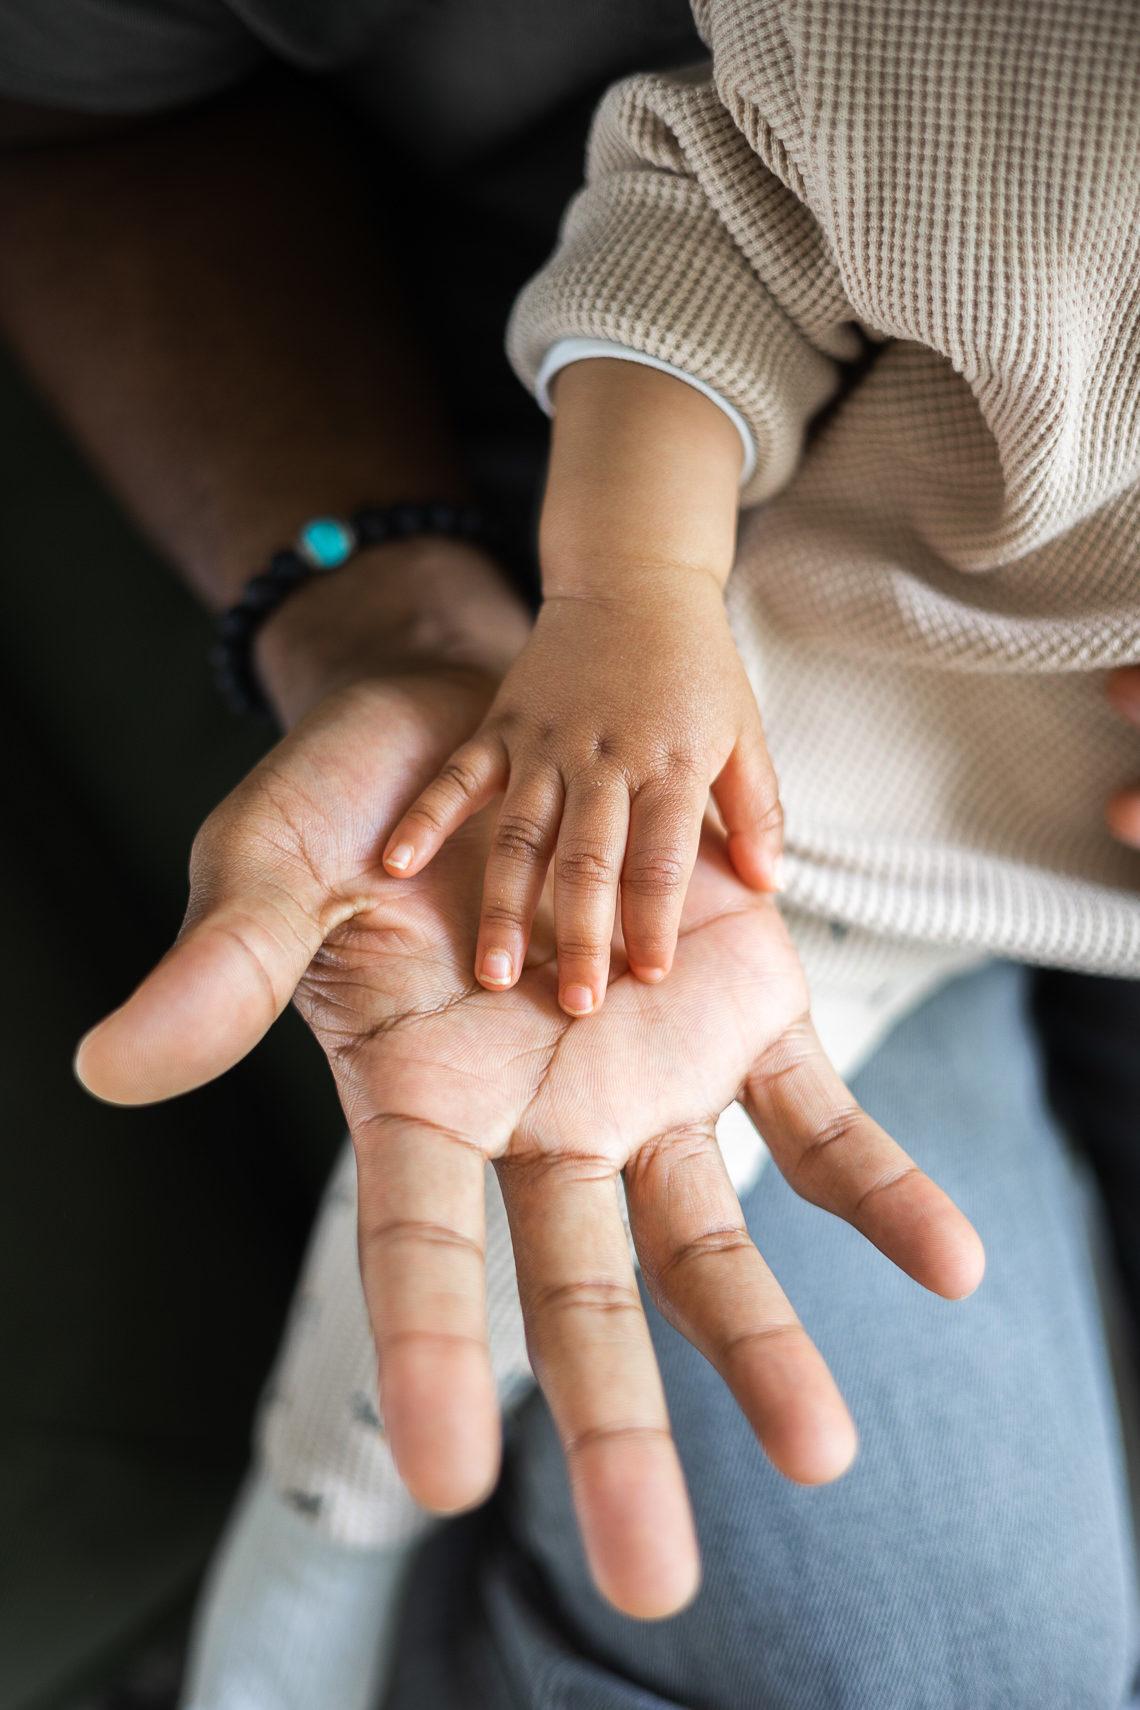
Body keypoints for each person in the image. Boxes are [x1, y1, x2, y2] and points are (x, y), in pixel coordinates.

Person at [0, 5, 1137, 1710]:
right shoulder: (1014, 76)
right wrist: (630, 598)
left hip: (1081, 867)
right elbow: (710, 204)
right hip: (792, 804)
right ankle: (285, 1621)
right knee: (492, 1342)